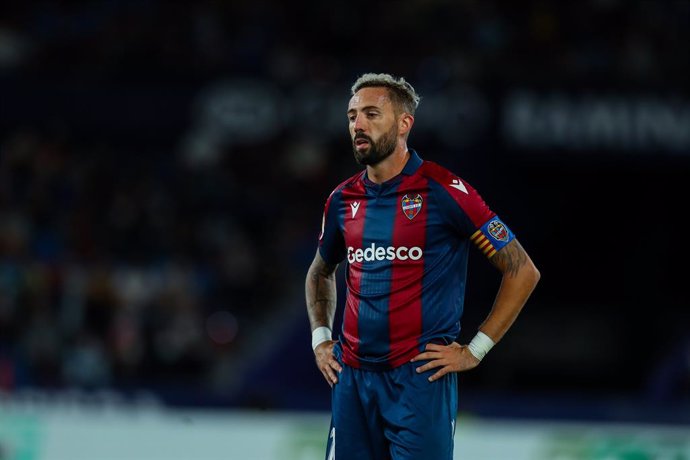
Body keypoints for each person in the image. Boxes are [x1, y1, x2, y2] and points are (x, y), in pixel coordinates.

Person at [305, 73, 540, 460]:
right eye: (351, 116)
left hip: (418, 380)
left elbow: (522, 269)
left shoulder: (444, 190)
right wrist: (320, 340)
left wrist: (476, 349)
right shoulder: (342, 200)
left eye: (371, 114)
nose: (357, 125)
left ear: (403, 124)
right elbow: (320, 271)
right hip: (352, 381)